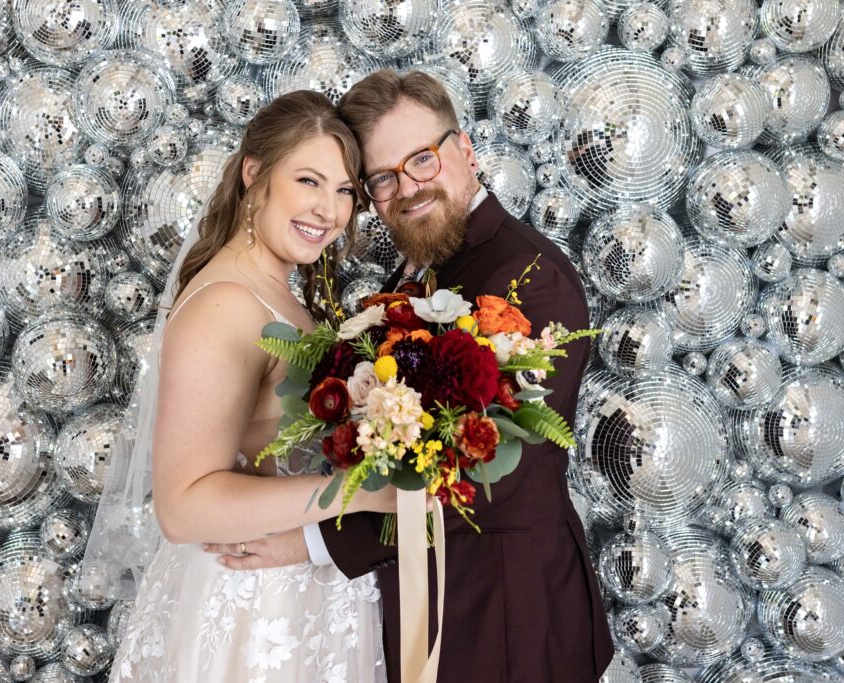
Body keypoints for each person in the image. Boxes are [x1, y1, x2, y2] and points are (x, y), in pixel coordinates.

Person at [206, 71, 615, 681]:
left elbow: (479, 477)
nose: (409, 187)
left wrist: (312, 543)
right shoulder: (424, 267)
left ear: (465, 149)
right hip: (430, 607)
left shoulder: (530, 278)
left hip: (508, 617)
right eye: (384, 178)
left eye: (422, 159)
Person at [86, 90, 396, 682]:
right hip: (257, 611)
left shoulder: (277, 291)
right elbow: (184, 506)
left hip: (297, 591)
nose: (329, 211)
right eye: (309, 180)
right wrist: (360, 492)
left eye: (344, 191)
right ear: (256, 173)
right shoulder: (226, 304)